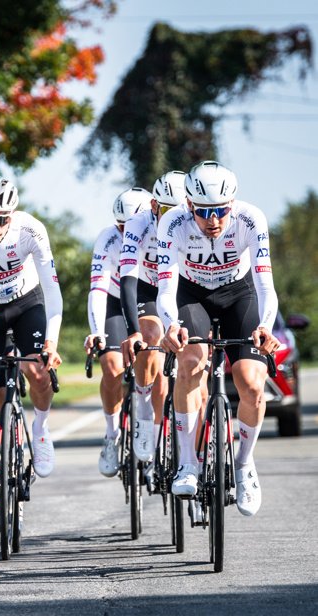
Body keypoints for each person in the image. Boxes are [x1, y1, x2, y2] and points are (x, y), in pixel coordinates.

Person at [158, 160, 280, 516]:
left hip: (238, 293)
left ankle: (244, 465)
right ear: (190, 206)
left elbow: (264, 285)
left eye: (221, 211)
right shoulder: (173, 223)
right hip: (191, 294)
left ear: (233, 204)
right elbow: (166, 288)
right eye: (204, 212)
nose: (213, 220)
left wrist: (266, 326)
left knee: (251, 384)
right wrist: (170, 324)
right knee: (191, 362)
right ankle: (188, 463)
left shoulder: (251, 219)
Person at [0, 177, 63, 532]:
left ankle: (41, 426)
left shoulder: (30, 230)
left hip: (26, 302)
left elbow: (52, 292)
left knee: (37, 370)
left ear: (13, 214)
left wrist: (51, 341)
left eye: (2, 218)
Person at [119, 172, 188, 467]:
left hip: (186, 285)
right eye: (165, 209)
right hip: (148, 286)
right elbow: (127, 278)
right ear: (153, 205)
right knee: (148, 337)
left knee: (199, 354)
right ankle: (144, 409)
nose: (171, 216)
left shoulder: (192, 220)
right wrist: (134, 331)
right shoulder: (138, 223)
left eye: (178, 209)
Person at [85, 188, 152, 478]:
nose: (127, 233)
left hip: (148, 296)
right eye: (121, 226)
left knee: (154, 366)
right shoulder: (108, 240)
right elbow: (98, 289)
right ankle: (111, 436)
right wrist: (97, 331)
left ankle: (150, 429)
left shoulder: (159, 232)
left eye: (131, 225)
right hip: (114, 299)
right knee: (111, 367)